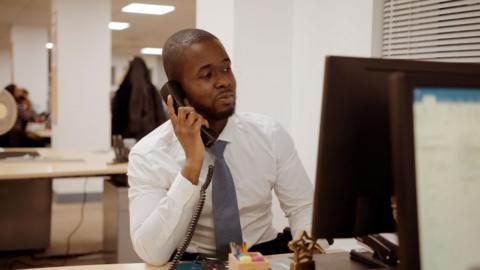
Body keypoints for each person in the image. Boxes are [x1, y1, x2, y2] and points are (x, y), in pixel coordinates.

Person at [127, 29, 326, 266]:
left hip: (263, 254)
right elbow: (151, 253)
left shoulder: (269, 134)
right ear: (177, 92)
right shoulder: (148, 153)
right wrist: (191, 165)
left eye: (226, 68)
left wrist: (308, 252)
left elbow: (302, 207)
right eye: (206, 75)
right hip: (194, 261)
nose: (223, 81)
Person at [111, 56, 167, 142]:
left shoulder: (122, 91)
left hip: (127, 136)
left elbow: (116, 117)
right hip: (150, 135)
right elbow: (160, 116)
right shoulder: (152, 90)